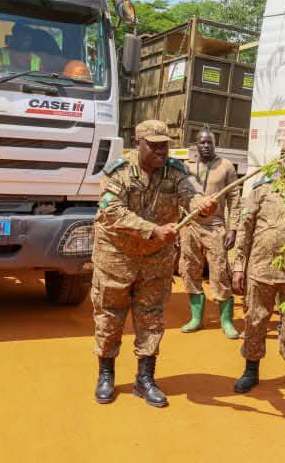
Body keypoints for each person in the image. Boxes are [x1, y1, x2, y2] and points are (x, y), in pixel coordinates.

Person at [90, 119, 218, 408]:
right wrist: (153, 230)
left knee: (151, 319)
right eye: (155, 145)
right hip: (116, 258)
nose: (161, 151)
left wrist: (202, 205)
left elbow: (191, 195)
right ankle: (106, 375)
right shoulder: (118, 172)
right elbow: (112, 211)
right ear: (139, 144)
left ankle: (144, 379)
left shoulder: (175, 173)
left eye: (165, 145)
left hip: (155, 262)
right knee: (109, 317)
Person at [231, 144, 285, 402]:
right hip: (260, 268)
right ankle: (251, 370)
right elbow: (245, 228)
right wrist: (238, 265)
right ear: (280, 162)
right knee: (255, 321)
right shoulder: (262, 190)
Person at [179, 127, 242, 338]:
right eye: (202, 143)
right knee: (189, 270)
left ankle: (227, 321)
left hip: (215, 227)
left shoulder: (226, 167)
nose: (206, 146)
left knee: (220, 272)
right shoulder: (187, 168)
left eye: (210, 143)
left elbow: (234, 199)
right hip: (190, 226)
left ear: (215, 144)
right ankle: (196, 318)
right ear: (196, 145)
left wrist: (232, 228)